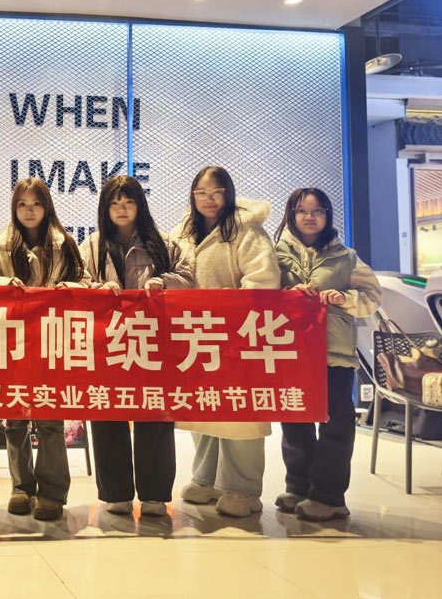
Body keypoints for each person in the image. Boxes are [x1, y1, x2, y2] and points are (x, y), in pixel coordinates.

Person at [171, 166, 281, 518]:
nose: (209, 199)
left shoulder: (247, 230)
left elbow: (263, 280)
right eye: (201, 193)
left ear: (228, 194)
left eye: (217, 192)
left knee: (240, 413)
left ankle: (243, 489)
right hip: (197, 335)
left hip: (239, 336)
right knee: (203, 407)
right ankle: (206, 479)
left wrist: (231, 316)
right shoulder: (183, 232)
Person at [82, 175, 193, 516]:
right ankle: (115, 494)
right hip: (107, 342)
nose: (122, 209)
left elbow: (189, 278)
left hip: (153, 342)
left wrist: (164, 281)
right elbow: (79, 281)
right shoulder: (93, 244)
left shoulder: (163, 243)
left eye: (129, 202)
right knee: (107, 412)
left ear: (139, 205)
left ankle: (155, 495)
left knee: (155, 414)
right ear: (105, 208)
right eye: (115, 203)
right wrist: (98, 289)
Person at [274, 188, 381, 520]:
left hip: (334, 351)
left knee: (336, 421)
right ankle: (299, 487)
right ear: (291, 214)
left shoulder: (346, 257)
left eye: (317, 210)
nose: (310, 217)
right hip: (290, 349)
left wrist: (344, 298)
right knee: (295, 419)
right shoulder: (275, 255)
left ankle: (329, 496)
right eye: (302, 210)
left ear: (327, 215)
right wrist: (288, 294)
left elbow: (372, 297)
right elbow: (261, 295)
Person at [0, 177, 86, 521]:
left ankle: (52, 492)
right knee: (14, 418)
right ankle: (21, 487)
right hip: (13, 340)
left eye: (36, 204)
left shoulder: (64, 243)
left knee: (50, 418)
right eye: (22, 204)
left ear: (47, 207)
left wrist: (70, 287)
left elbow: (85, 279)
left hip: (51, 339)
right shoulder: (1, 244)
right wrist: (3, 283)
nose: (29, 211)